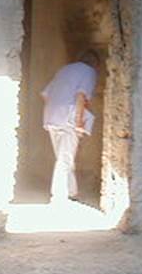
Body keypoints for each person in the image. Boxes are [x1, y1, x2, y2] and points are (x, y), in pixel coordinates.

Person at [41, 50, 100, 204]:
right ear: (94, 63)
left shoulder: (64, 70)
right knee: (65, 159)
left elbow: (45, 94)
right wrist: (79, 121)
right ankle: (59, 196)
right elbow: (81, 96)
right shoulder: (89, 72)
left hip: (52, 115)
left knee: (64, 156)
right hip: (68, 116)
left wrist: (51, 111)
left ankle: (72, 192)